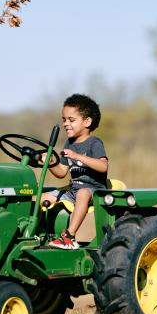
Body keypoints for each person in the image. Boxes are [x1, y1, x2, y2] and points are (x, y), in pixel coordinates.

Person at [42, 93, 108, 250]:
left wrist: (78, 156)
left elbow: (103, 166)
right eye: (64, 120)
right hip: (73, 191)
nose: (66, 124)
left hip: (94, 190)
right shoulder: (69, 144)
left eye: (71, 120)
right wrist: (50, 162)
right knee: (39, 197)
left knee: (83, 193)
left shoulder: (94, 143)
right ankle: (36, 235)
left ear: (87, 122)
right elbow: (61, 172)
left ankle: (69, 237)